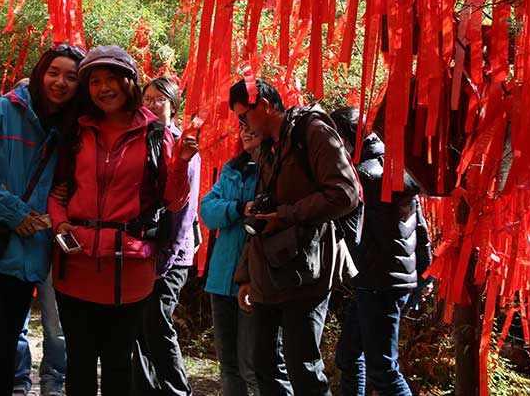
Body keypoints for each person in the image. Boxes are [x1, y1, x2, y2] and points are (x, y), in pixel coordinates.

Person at [48, 45, 198, 396]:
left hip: (129, 269)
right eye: (95, 81)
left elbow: (173, 200)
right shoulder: (77, 130)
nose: (103, 88)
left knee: (119, 364)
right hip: (76, 264)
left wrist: (181, 162)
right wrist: (60, 225)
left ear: (130, 81)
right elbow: (57, 192)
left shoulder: (155, 133)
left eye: (112, 79)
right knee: (79, 363)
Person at [0, 44, 85, 395]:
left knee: (7, 351)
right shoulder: (4, 110)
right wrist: (13, 212)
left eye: (71, 77)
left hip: (29, 254)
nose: (60, 82)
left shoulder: (72, 130)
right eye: (54, 72)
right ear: (40, 74)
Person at [230, 78, 360, 396]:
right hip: (269, 270)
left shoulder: (312, 131)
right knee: (262, 363)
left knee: (303, 368)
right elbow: (263, 215)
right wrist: (246, 276)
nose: (242, 126)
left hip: (308, 269)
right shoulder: (269, 147)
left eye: (244, 117)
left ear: (264, 106)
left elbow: (346, 193)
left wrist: (288, 214)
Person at [331, 106, 432, 396]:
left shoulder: (363, 175)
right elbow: (420, 225)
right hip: (387, 279)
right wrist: (425, 272)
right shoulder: (397, 165)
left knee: (383, 369)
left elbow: (350, 230)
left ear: (346, 139)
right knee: (349, 356)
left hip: (379, 281)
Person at [200, 122, 292, 396]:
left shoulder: (278, 170)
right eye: (242, 127)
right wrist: (239, 208)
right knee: (228, 364)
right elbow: (207, 211)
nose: (247, 132)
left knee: (256, 365)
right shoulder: (232, 169)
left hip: (258, 277)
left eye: (253, 126)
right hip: (221, 277)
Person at [132, 77, 201, 396]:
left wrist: (166, 258)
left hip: (171, 255)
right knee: (139, 327)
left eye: (159, 99)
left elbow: (185, 210)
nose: (151, 104)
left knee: (158, 323)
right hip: (142, 250)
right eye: (146, 98)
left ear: (173, 106)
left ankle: (176, 390)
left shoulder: (183, 144)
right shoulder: (139, 140)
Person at [14, 277, 66, 395]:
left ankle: (53, 380)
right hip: (19, 267)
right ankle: (17, 376)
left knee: (55, 329)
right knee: (16, 324)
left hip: (51, 269)